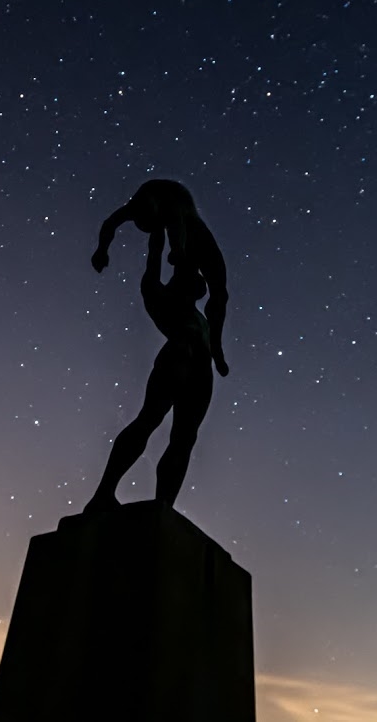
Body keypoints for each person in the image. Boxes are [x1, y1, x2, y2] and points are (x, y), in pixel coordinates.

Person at [84, 228, 214, 512]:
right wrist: (161, 229)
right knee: (149, 420)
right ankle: (104, 492)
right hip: (177, 358)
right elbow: (154, 255)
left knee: (184, 437)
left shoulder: (201, 317)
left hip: (202, 372)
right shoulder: (160, 295)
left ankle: (164, 505)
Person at [91, 179, 229, 376]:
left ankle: (216, 346)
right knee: (202, 289)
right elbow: (110, 223)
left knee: (220, 294)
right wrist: (101, 249)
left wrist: (177, 250)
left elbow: (176, 221)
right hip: (181, 238)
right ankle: (207, 343)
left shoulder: (167, 203)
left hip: (195, 231)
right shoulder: (136, 207)